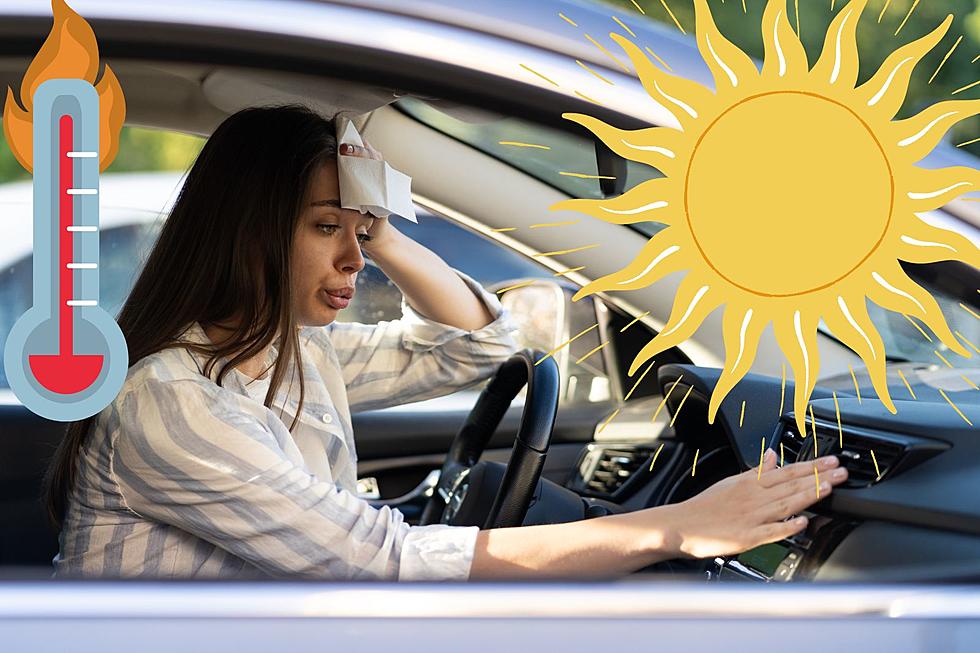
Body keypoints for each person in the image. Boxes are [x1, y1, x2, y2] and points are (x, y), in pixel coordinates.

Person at [42, 105, 848, 581]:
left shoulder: (288, 352)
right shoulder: (174, 399)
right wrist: (674, 528)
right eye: (328, 228)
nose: (354, 258)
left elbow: (474, 345)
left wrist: (378, 226)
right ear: (248, 233)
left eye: (360, 232)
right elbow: (378, 559)